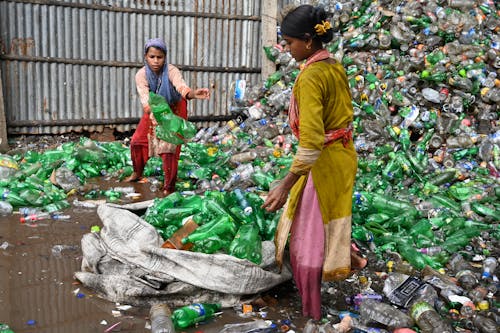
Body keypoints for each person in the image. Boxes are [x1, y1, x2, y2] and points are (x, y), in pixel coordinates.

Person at [261, 5, 359, 321]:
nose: (286, 49)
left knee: (307, 241)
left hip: (323, 164)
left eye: (289, 43)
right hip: (342, 157)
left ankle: (311, 313)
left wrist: (284, 184)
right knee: (327, 226)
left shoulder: (312, 77)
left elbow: (312, 142)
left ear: (307, 40)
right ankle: (338, 274)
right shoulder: (334, 66)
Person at [126, 38, 210, 195]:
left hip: (175, 109)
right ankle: (137, 171)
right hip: (153, 109)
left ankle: (169, 187)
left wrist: (193, 93)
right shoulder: (141, 75)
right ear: (145, 56)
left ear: (165, 57)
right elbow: (145, 97)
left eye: (160, 57)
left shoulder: (171, 71)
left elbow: (181, 87)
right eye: (152, 57)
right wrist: (154, 114)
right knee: (137, 141)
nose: (156, 61)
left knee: (168, 148)